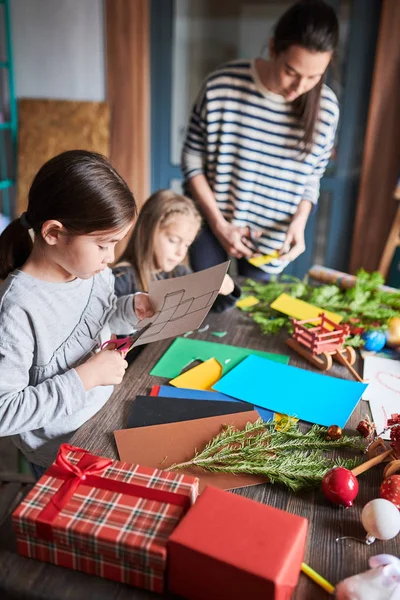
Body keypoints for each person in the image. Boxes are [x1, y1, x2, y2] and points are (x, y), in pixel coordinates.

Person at [0, 150, 154, 478]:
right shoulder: (17, 308)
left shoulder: (92, 272)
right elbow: (4, 412)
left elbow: (103, 317)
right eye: (102, 245)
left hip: (104, 415)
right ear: (53, 233)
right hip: (60, 451)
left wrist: (129, 308)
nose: (110, 258)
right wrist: (86, 377)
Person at [182, 0, 339, 281]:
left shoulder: (326, 109)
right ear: (272, 48)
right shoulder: (221, 86)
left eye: (314, 76)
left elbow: (312, 178)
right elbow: (192, 160)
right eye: (291, 71)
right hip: (210, 223)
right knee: (206, 307)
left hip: (271, 240)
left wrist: (299, 222)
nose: (299, 87)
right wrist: (219, 224)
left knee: (253, 318)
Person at [113, 189, 241, 311]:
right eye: (173, 241)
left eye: (187, 245)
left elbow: (206, 307)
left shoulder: (180, 273)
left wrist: (226, 290)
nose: (180, 252)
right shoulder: (120, 279)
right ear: (147, 232)